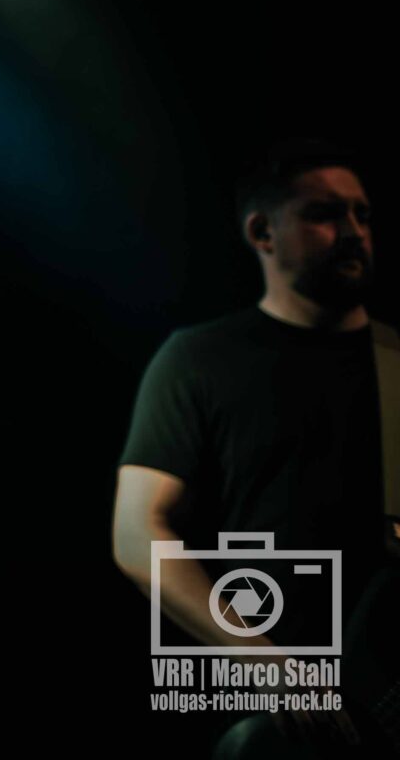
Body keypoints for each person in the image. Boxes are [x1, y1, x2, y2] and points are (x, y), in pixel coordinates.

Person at [113, 141, 384, 754]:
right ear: (262, 231)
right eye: (325, 213)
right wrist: (263, 660)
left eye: (363, 214)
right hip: (280, 724)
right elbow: (135, 532)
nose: (354, 232)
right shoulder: (199, 359)